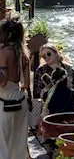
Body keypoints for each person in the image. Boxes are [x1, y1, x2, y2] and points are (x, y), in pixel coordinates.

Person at [0, 18, 30, 159]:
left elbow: (2, 81)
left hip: (4, 101)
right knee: (18, 145)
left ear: (8, 34)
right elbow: (26, 84)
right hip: (19, 100)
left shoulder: (3, 53)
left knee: (2, 145)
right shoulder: (24, 54)